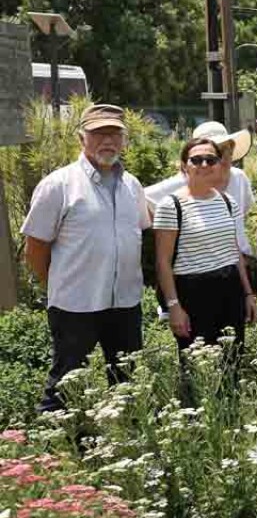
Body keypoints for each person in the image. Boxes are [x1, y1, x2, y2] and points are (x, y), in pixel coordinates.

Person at [21, 104, 150, 412]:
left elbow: (142, 232)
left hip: (124, 302)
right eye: (98, 133)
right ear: (82, 139)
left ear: (124, 140)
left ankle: (129, 443)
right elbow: (35, 248)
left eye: (114, 134)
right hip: (75, 305)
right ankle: (59, 454)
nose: (108, 141)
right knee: (67, 382)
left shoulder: (132, 185)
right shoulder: (59, 185)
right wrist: (58, 285)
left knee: (127, 379)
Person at [153, 138, 257, 381]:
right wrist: (174, 307)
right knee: (197, 367)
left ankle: (229, 415)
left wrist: (248, 294)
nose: (204, 164)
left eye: (210, 159)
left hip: (229, 289)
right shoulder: (171, 206)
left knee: (232, 361)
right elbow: (163, 262)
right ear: (183, 166)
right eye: (196, 159)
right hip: (192, 292)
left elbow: (234, 253)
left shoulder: (226, 202)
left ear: (218, 165)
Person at [145, 121, 257, 305]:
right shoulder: (181, 183)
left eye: (225, 151)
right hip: (195, 274)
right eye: (214, 154)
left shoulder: (239, 178)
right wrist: (170, 234)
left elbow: (239, 221)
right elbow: (144, 199)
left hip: (238, 267)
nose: (222, 159)